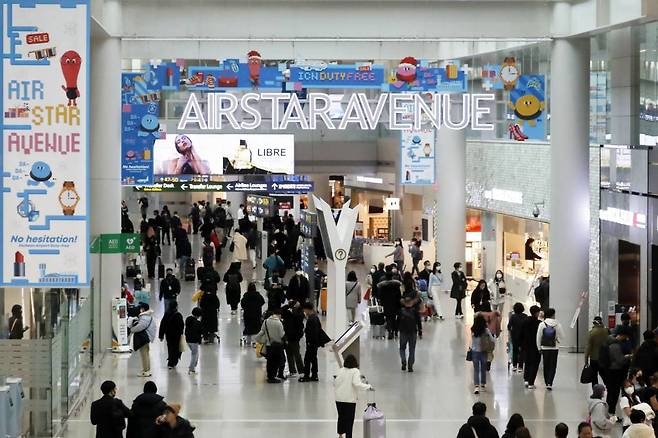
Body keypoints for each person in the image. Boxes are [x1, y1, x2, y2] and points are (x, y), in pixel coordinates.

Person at [333, 354, 372, 438]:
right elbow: (356, 383)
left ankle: (340, 435)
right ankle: (348, 436)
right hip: (349, 399)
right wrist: (368, 386)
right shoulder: (355, 371)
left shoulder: (341, 370)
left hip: (339, 398)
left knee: (341, 417)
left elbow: (335, 382)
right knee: (349, 420)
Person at [299, 302, 329, 382]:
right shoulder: (315, 317)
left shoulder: (312, 319)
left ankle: (307, 376)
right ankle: (314, 375)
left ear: (307, 309)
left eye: (305, 310)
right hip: (314, 343)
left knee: (308, 359)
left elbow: (313, 332)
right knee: (313, 359)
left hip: (312, 343)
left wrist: (310, 342)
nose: (304, 312)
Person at [536, 307, 565, 390]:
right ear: (553, 315)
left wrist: (539, 347)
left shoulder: (542, 324)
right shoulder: (557, 324)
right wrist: (557, 339)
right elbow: (563, 336)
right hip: (554, 348)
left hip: (544, 348)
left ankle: (546, 382)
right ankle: (550, 382)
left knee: (546, 365)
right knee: (553, 365)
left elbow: (538, 337)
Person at [255, 307, 285, 383]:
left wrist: (263, 341)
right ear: (279, 315)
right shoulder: (279, 323)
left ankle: (270, 376)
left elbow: (259, 335)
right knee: (276, 362)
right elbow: (282, 335)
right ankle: (273, 377)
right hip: (277, 346)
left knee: (270, 362)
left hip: (269, 345)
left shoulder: (265, 321)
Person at [605, 333, 632, 413]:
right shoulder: (616, 347)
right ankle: (612, 410)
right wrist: (627, 357)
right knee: (615, 391)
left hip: (609, 370)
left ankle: (609, 408)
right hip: (616, 371)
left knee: (610, 390)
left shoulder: (608, 346)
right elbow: (620, 360)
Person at [471, 313, 495, 394]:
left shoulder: (473, 330)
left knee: (476, 370)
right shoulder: (486, 330)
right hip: (483, 351)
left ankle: (476, 386)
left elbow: (472, 341)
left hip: (474, 351)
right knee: (483, 369)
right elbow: (492, 340)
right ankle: (483, 384)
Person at [281, 300, 305, 377]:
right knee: (290, 354)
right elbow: (282, 310)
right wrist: (289, 306)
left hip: (294, 337)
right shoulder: (288, 313)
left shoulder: (299, 314)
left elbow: (298, 318)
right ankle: (293, 370)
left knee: (296, 354)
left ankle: (301, 370)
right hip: (288, 336)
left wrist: (293, 309)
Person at [131, 303, 156, 377]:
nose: (139, 309)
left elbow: (140, 327)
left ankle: (146, 371)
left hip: (144, 338)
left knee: (144, 355)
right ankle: (147, 369)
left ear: (143, 309)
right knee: (146, 354)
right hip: (147, 337)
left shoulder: (145, 317)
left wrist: (132, 329)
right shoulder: (147, 316)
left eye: (140, 308)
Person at [585, 316, 610, 386]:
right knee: (605, 375)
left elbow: (588, 347)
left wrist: (586, 359)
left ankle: (595, 391)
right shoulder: (606, 331)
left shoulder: (592, 333)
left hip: (594, 358)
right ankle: (609, 388)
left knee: (594, 376)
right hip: (605, 358)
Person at [158, 302, 184, 369]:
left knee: (170, 347)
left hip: (168, 335)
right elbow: (181, 325)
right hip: (176, 335)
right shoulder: (178, 315)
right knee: (175, 348)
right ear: (176, 306)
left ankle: (170, 360)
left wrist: (161, 335)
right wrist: (182, 333)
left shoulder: (166, 314)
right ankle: (173, 362)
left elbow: (162, 325)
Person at [378, 271, 402, 340]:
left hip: (386, 304)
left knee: (388, 318)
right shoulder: (396, 285)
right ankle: (395, 331)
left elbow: (381, 296)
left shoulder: (383, 285)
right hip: (395, 303)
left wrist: (381, 303)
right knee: (394, 317)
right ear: (392, 276)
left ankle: (389, 331)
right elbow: (399, 295)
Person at [399, 293, 419, 372]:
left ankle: (403, 361)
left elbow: (398, 322)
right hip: (413, 332)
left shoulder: (401, 311)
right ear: (411, 303)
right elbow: (418, 322)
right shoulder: (415, 311)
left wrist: (397, 330)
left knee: (402, 348)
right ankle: (410, 365)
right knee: (412, 349)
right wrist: (420, 331)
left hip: (403, 332)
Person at [241, 282, 265, 347]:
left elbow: (242, 304)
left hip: (247, 314)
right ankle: (255, 341)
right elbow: (263, 302)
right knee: (256, 327)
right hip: (256, 314)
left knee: (248, 326)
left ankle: (248, 341)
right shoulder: (258, 296)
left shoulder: (245, 296)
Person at [507, 303, 527, 373]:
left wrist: (510, 332)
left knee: (515, 351)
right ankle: (521, 366)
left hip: (514, 335)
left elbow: (509, 326)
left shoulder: (513, 317)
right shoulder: (525, 316)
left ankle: (515, 366)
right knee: (522, 351)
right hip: (523, 336)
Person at [184, 308, 202, 374]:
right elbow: (200, 332)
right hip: (194, 341)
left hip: (188, 339)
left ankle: (193, 366)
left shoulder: (188, 319)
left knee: (195, 353)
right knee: (194, 354)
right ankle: (191, 368)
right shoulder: (198, 323)